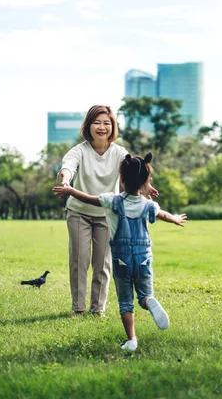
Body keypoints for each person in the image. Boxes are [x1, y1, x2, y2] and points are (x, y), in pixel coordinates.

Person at [53, 153, 187, 351]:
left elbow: (89, 199)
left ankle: (132, 339)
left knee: (125, 302)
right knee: (143, 295)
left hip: (122, 260)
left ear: (121, 179)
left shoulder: (112, 201)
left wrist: (71, 190)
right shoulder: (149, 204)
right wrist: (174, 218)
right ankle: (149, 300)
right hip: (143, 259)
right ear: (145, 182)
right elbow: (162, 214)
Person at [55, 105, 157, 318]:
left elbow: (136, 169)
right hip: (78, 212)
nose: (102, 127)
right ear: (89, 126)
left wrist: (145, 185)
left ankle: (97, 308)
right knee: (79, 260)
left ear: (112, 127)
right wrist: (65, 180)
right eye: (97, 122)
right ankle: (78, 308)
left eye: (106, 123)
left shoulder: (120, 153)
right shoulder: (79, 151)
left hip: (107, 215)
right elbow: (68, 166)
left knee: (103, 263)